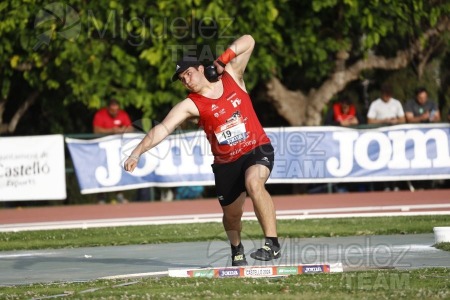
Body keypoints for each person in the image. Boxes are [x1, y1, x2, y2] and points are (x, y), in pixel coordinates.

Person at [124, 35, 280, 266]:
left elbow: (249, 40)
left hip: (256, 148)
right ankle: (236, 249)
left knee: (254, 183)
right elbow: (163, 129)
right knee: (232, 215)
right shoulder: (191, 104)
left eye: (188, 73)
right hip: (226, 163)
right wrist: (137, 152)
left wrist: (222, 60)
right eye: (181, 79)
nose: (186, 80)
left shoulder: (232, 76)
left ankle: (272, 244)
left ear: (200, 67)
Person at [93, 98, 134, 204]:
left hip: (117, 150)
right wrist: (111, 131)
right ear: (108, 108)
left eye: (116, 110)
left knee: (118, 170)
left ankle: (119, 194)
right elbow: (96, 130)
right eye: (112, 110)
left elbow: (131, 128)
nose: (115, 112)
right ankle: (101, 196)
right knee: (103, 171)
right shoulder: (101, 114)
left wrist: (122, 130)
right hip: (103, 150)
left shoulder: (123, 114)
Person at [367, 84, 405, 191]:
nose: (387, 96)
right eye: (385, 94)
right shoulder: (375, 104)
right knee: (383, 159)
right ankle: (385, 184)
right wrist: (384, 121)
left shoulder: (396, 103)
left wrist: (395, 121)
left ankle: (395, 183)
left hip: (395, 137)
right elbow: (370, 121)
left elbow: (402, 119)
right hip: (380, 138)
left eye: (389, 94)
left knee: (395, 159)